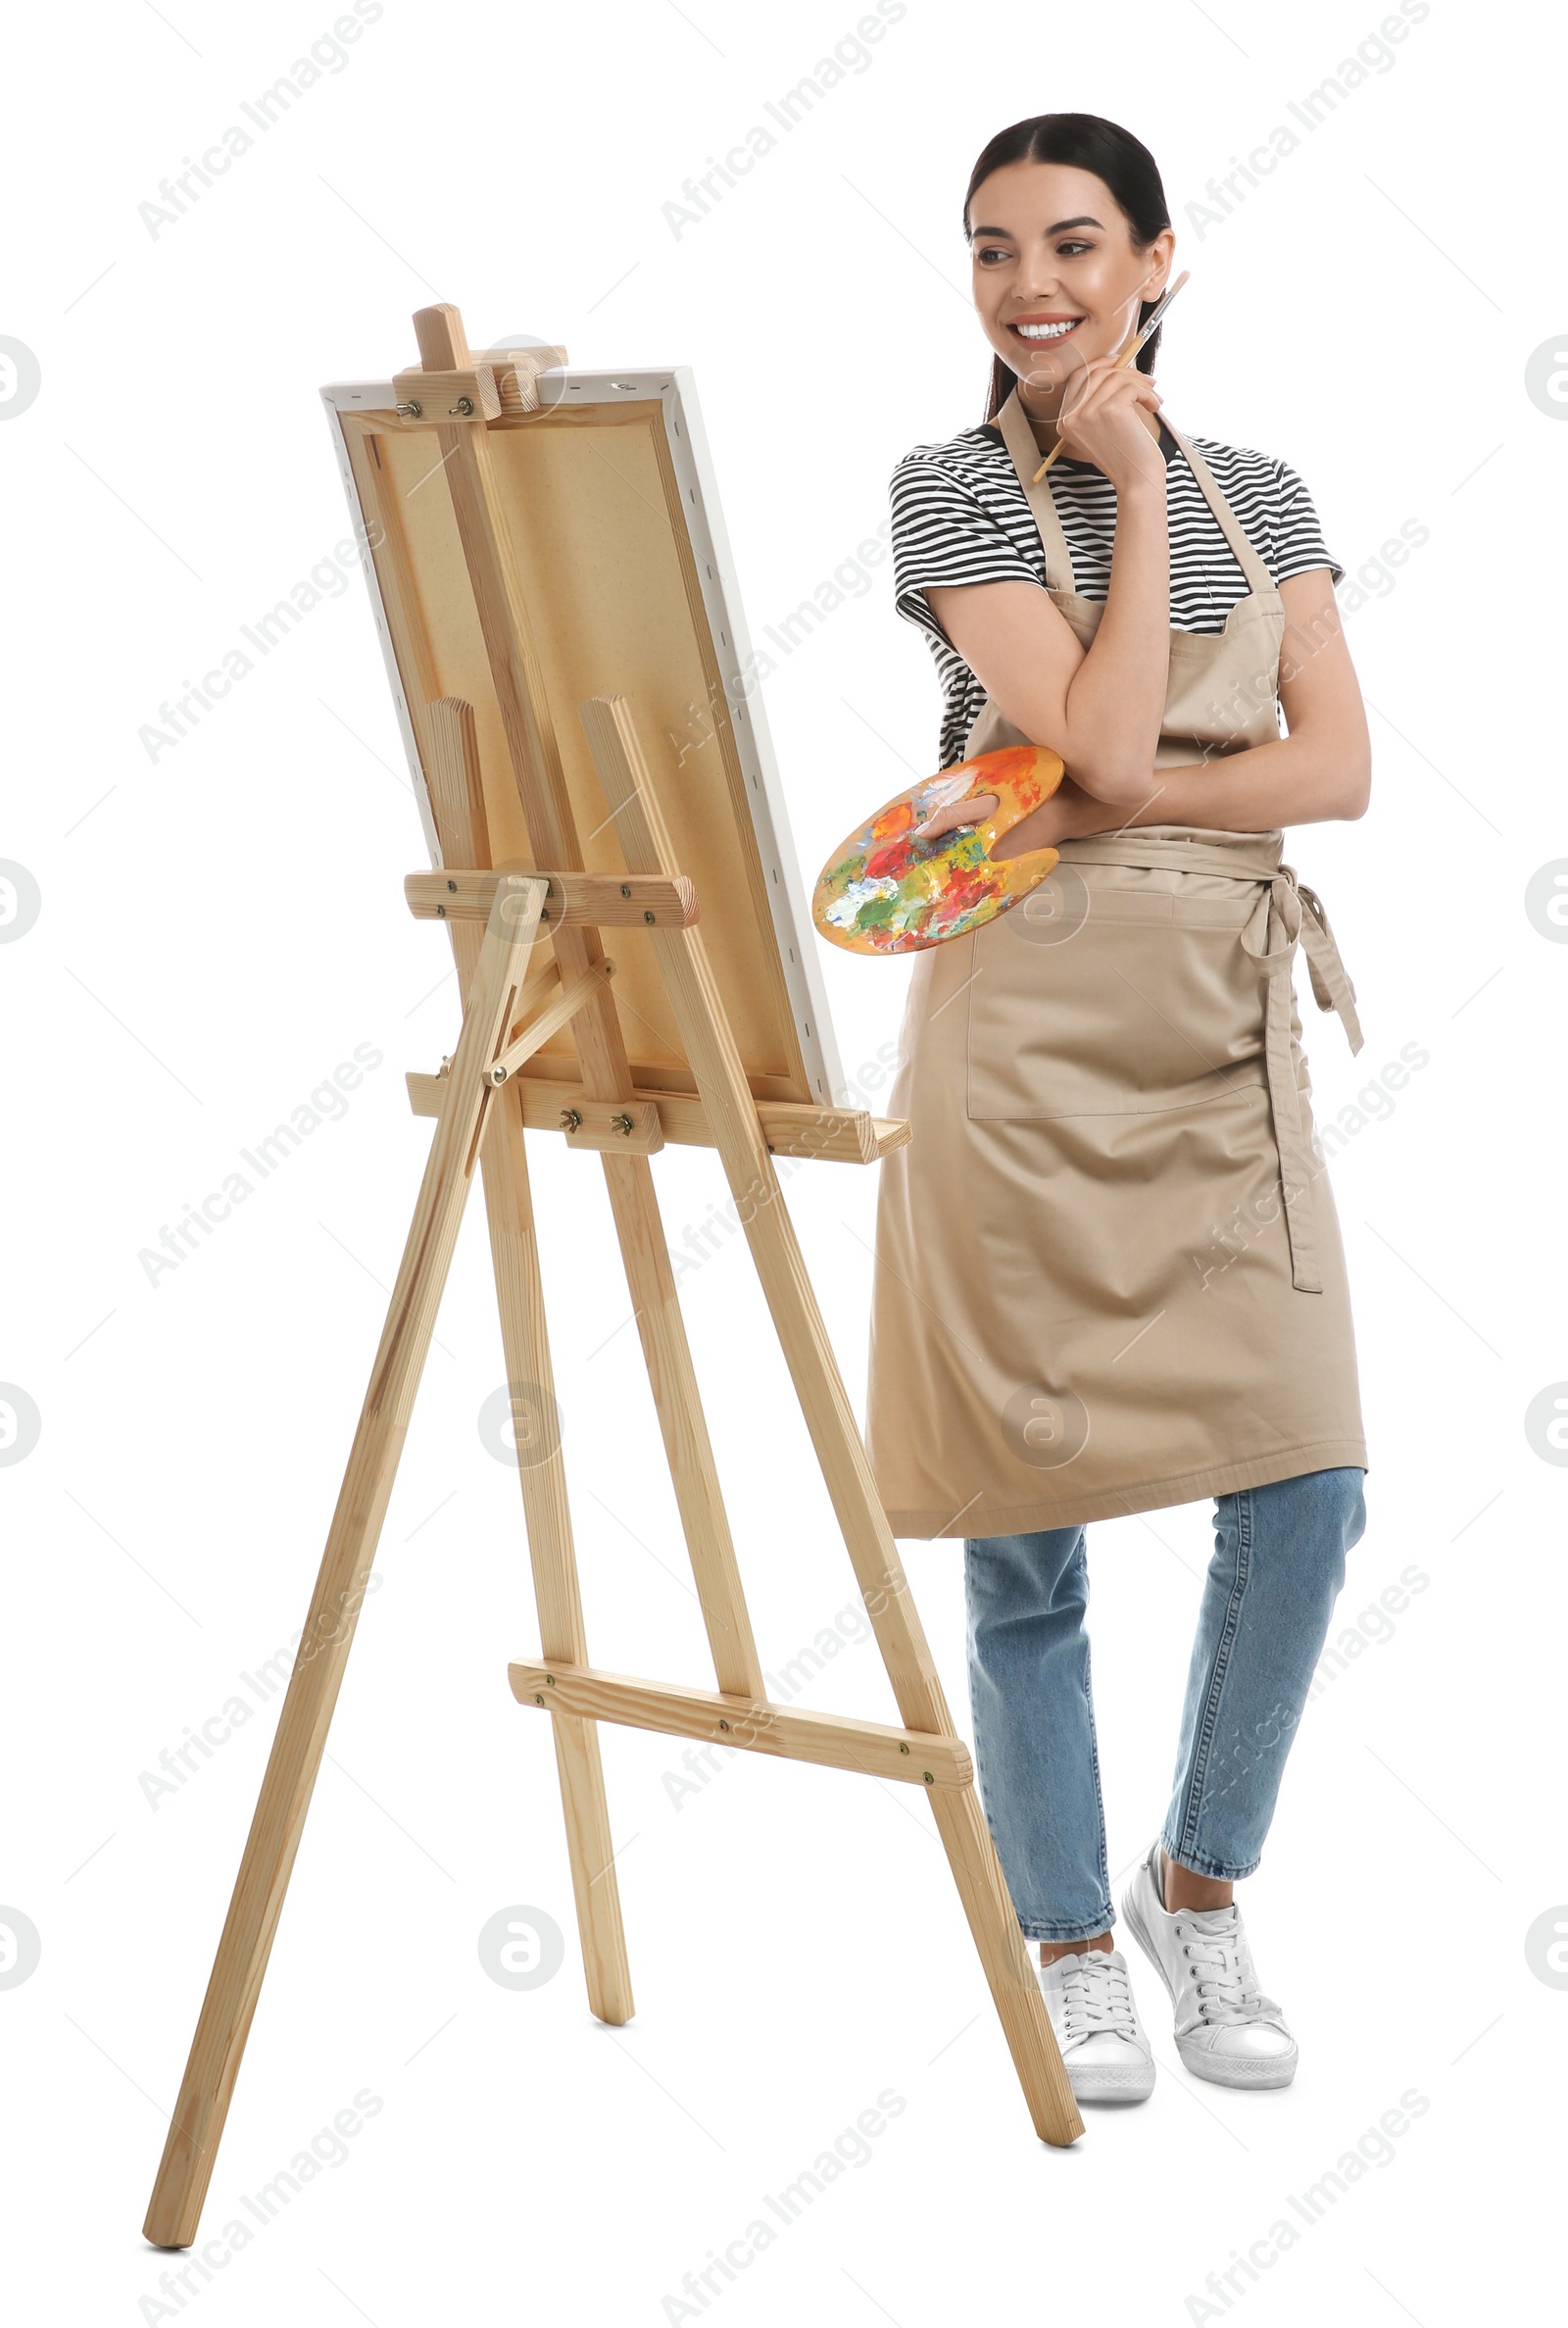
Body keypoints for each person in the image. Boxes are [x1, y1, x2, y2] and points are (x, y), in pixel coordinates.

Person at [864, 112, 1371, 2105]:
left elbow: (1333, 772)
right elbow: (1089, 735)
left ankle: (1192, 1879)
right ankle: (1066, 1932)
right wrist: (1134, 484)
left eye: (1072, 245)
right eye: (990, 251)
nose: (1029, 287)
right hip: (1015, 1038)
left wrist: (1123, 788)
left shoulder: (1270, 490)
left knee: (1308, 1479)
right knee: (1023, 1514)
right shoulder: (944, 493)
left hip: (1214, 1032)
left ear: (1157, 259)